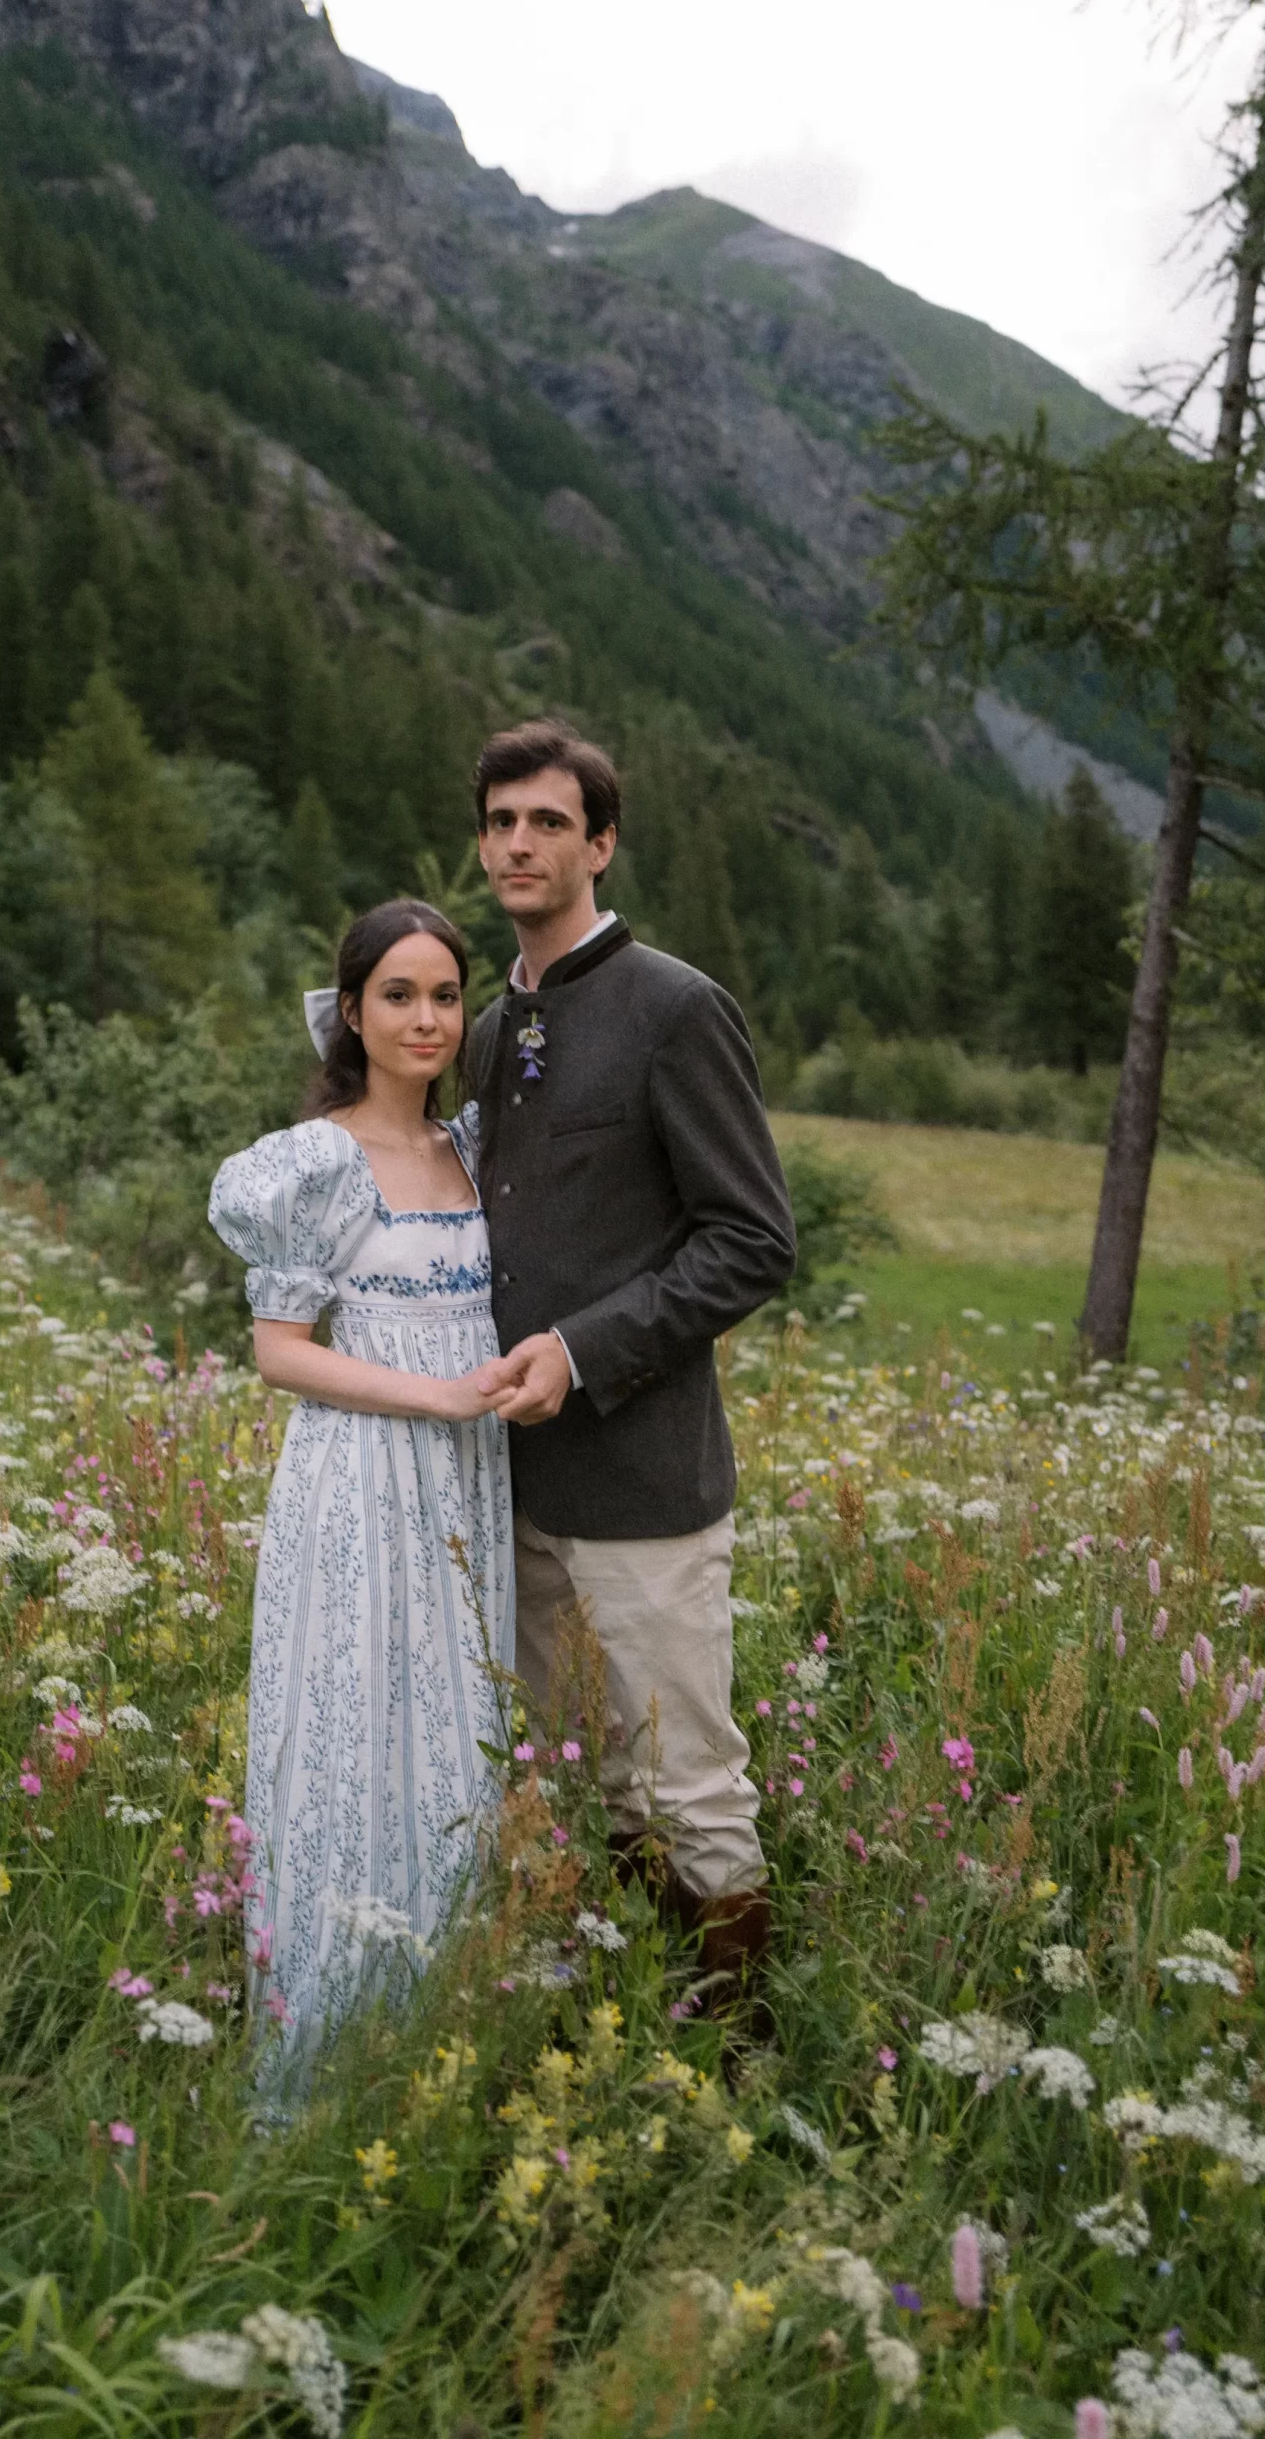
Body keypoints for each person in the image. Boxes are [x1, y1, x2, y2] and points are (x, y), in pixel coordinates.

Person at [469, 719, 796, 1988]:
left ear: (601, 843)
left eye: (549, 821)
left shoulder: (675, 1007)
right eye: (501, 821)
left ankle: (741, 2051)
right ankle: (629, 2018)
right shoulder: (492, 1030)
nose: (519, 842)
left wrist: (584, 1348)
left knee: (686, 1784)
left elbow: (752, 1239)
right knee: (581, 1779)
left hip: (647, 1489)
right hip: (516, 1489)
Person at [208, 899, 513, 2098]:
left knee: (453, 1737)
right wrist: (431, 1398)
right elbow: (278, 1349)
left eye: (446, 995)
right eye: (399, 994)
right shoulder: (316, 1161)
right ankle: (325, 2049)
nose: (427, 1018)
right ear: (353, 1012)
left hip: (470, 1484)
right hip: (359, 1477)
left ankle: (436, 2032)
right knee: (356, 1732)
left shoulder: (475, 1148)